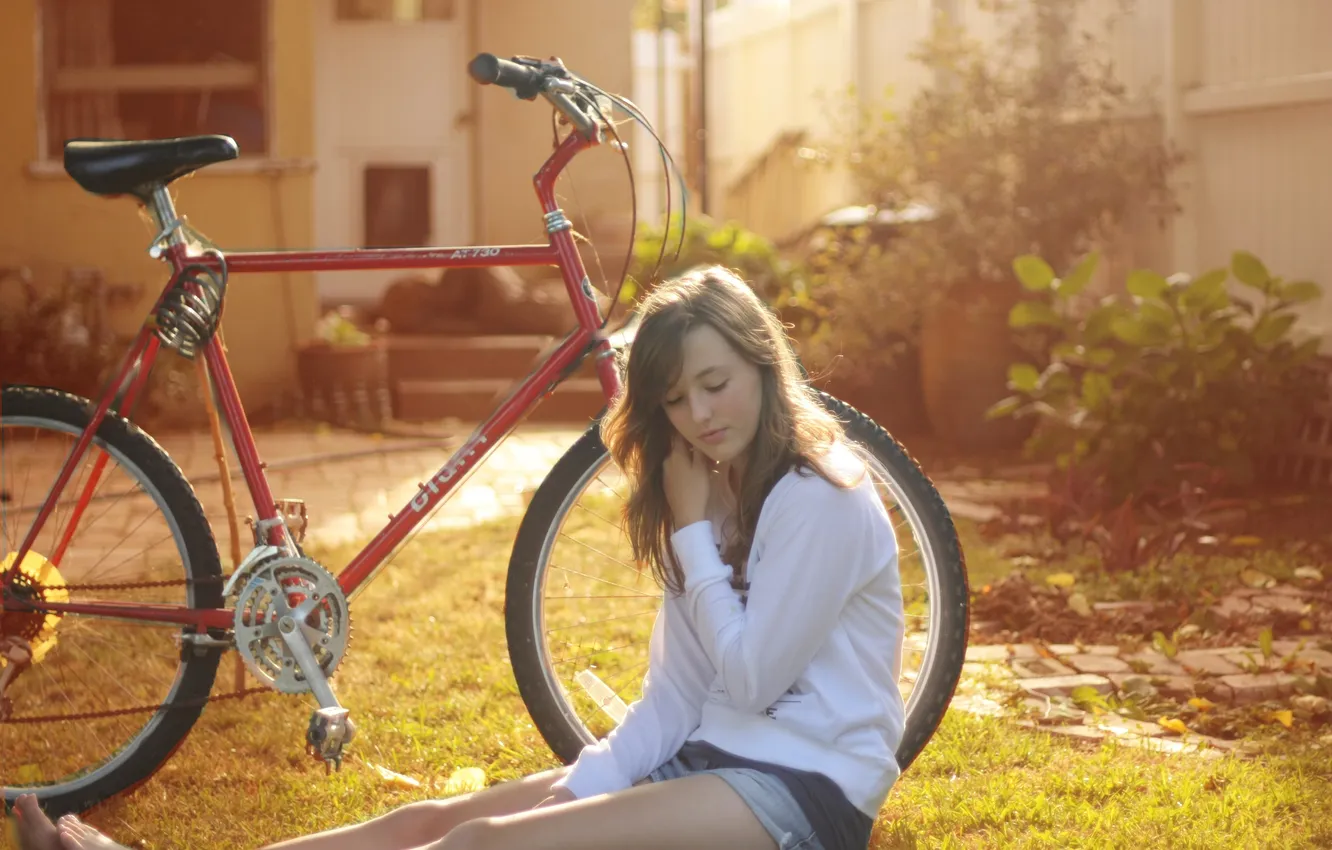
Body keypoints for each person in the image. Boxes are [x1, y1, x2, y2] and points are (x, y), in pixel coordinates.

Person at [12, 265, 906, 850]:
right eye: (676, 400)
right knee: (429, 818)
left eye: (717, 384)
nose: (702, 415)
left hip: (805, 793)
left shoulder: (823, 496)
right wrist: (579, 793)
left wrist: (689, 538)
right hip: (708, 762)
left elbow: (749, 685)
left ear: (763, 363)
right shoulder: (706, 491)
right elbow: (674, 700)